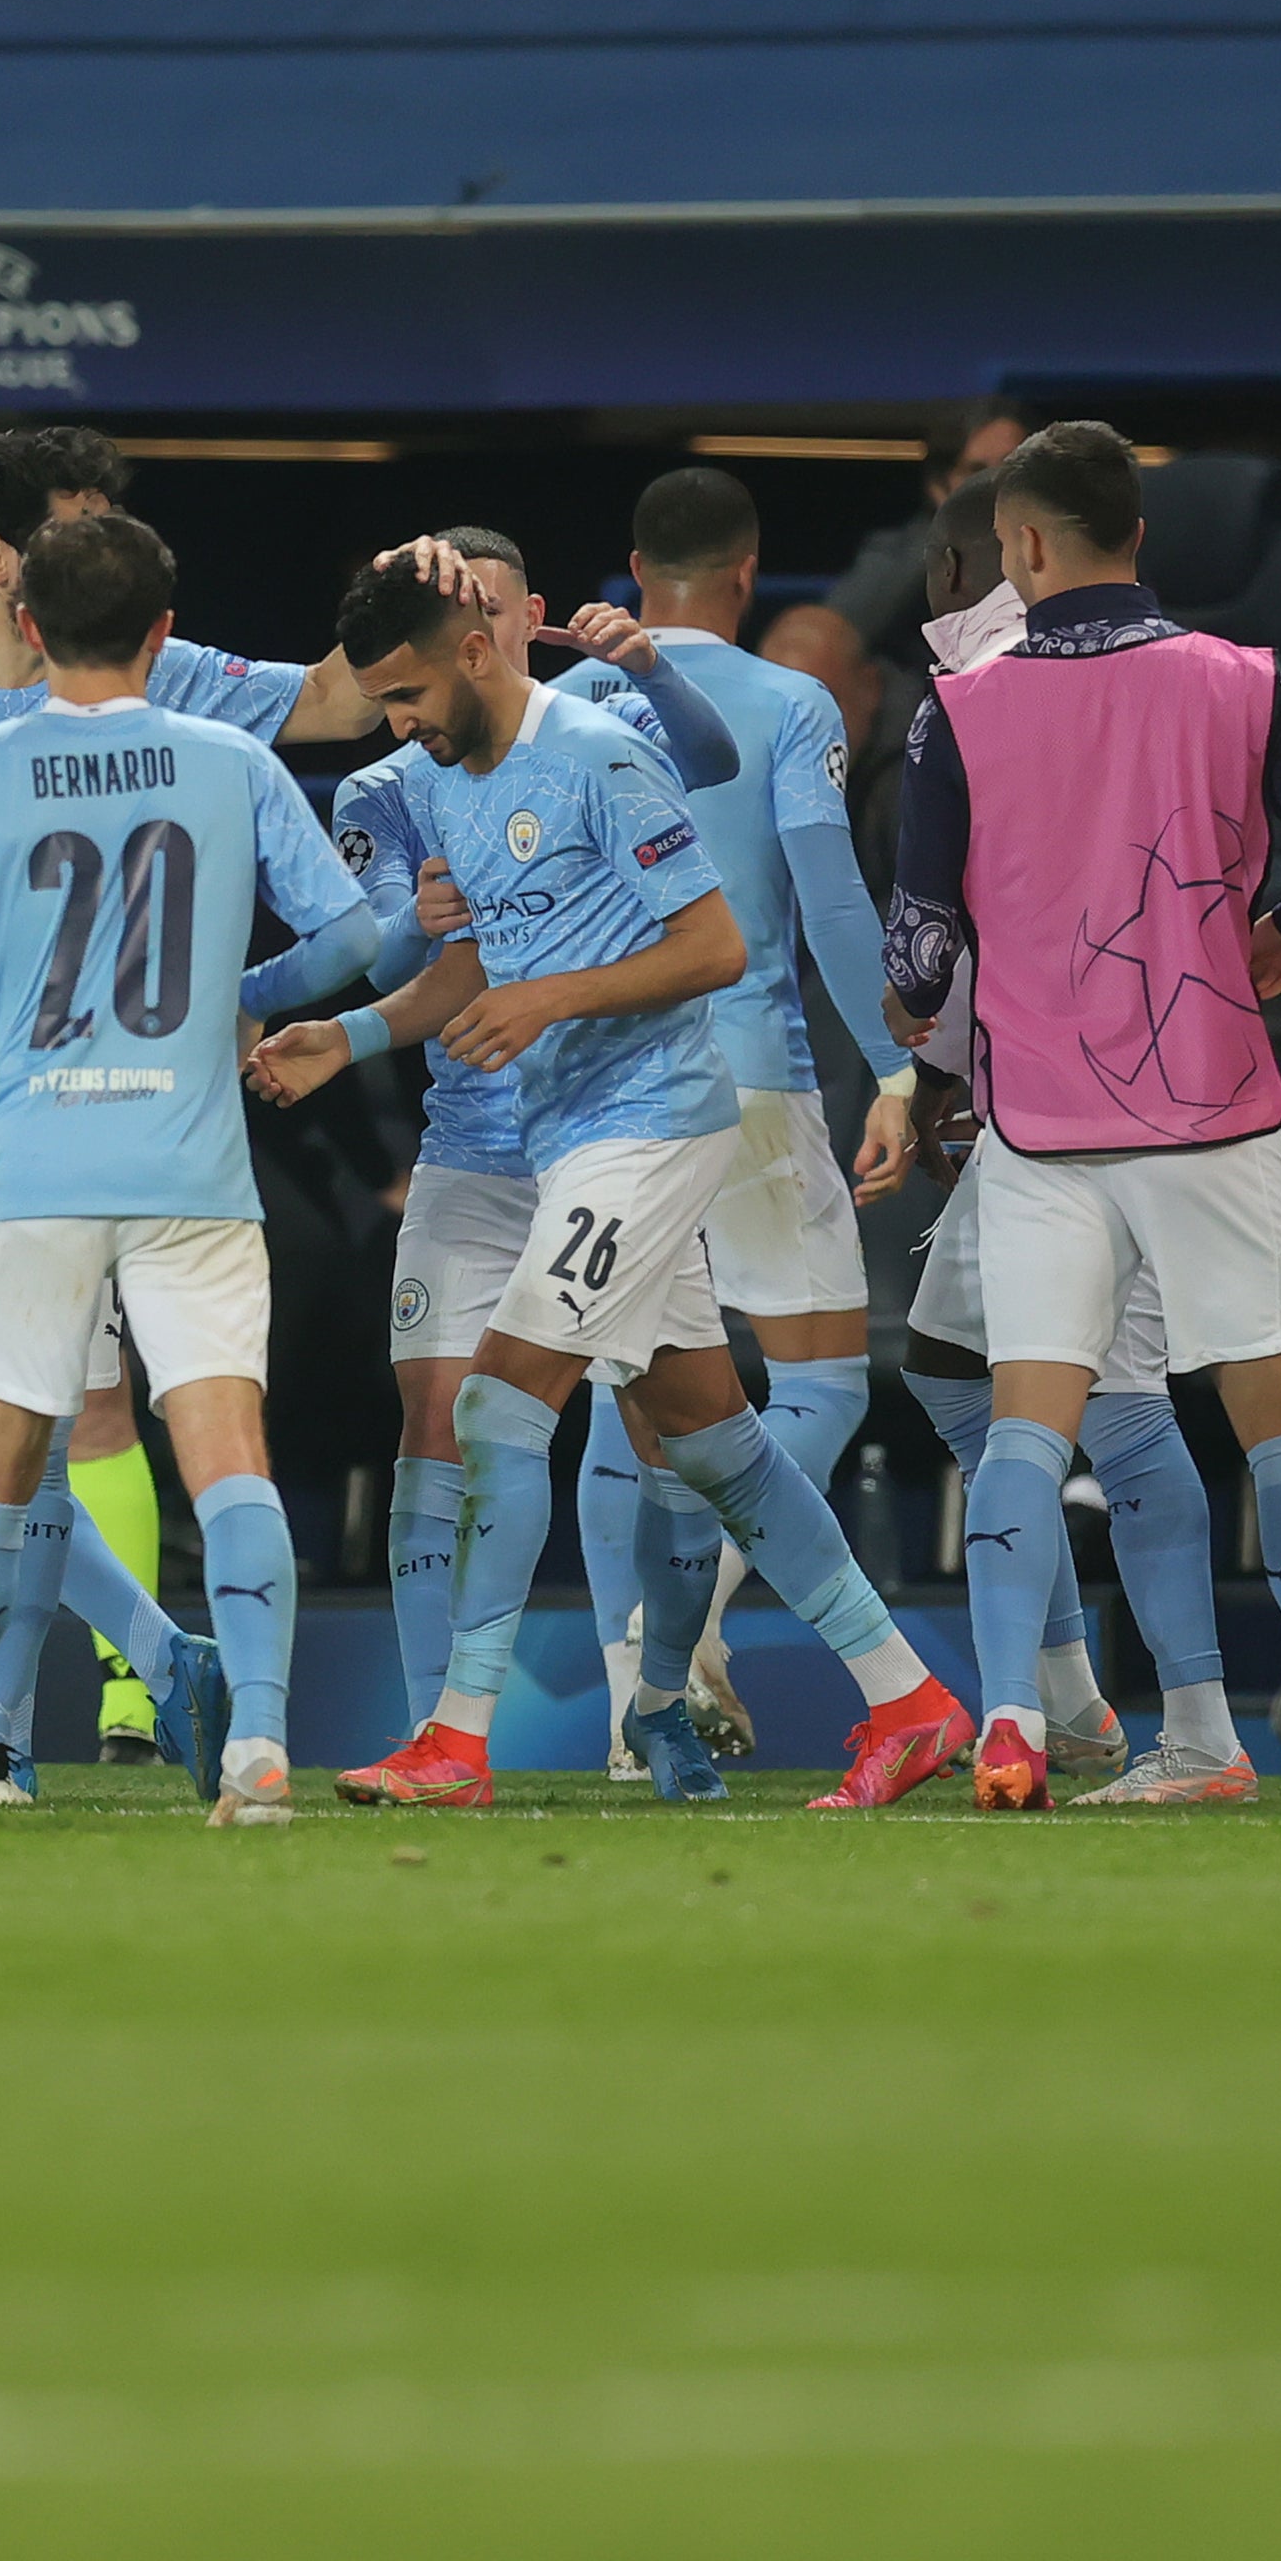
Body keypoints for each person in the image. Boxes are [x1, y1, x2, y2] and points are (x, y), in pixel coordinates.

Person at [0, 430, 467, 1790]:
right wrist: (238, 997)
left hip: (29, 1157)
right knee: (224, 1451)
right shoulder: (224, 754)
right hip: (191, 1156)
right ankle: (256, 1735)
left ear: (27, 620)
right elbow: (361, 935)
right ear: (166, 630)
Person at [255, 556, 974, 1816]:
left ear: (478, 648)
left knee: (495, 1401)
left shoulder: (596, 749)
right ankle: (910, 1700)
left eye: (410, 691)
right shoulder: (442, 778)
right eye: (382, 704)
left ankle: (456, 1739)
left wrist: (547, 998)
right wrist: (350, 1036)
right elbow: (459, 974)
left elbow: (715, 945)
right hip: (564, 1139)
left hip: (652, 1127)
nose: (399, 723)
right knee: (721, 1446)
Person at [884, 421, 1281, 1814]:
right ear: (1137, 533)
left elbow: (916, 956)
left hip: (1043, 1132)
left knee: (1026, 1427)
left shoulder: (953, 710)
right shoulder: (1243, 683)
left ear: (1021, 547)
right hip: (1209, 1111)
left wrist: (944, 1023)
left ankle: (1014, 1721)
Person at [329, 526, 736, 1748]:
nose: (490, 636)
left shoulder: (596, 725)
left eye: (504, 613)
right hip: (475, 1141)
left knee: (685, 1433)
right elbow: (393, 954)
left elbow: (705, 774)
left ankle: (657, 1696)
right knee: (450, 1419)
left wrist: (657, 669)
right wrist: (391, 955)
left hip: (620, 1128)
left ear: (515, 620)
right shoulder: (398, 777)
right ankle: (436, 1727)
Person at [882, 471, 1244, 1808]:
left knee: (1121, 1396)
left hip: (1082, 1103)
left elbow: (979, 915)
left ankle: (1187, 1725)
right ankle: (1080, 1698)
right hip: (1117, 1077)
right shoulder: (1125, 665)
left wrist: (925, 1056)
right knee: (951, 1366)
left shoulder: (989, 680)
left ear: (968, 563)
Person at [570, 469, 913, 1763]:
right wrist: (893, 1064)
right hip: (746, 1079)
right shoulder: (785, 700)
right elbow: (830, 902)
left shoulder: (564, 702)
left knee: (628, 1389)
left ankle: (627, 1701)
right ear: (748, 567)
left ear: (633, 566)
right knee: (820, 1371)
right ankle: (687, 1631)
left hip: (598, 1086)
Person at [822, 402, 1023, 661]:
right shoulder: (899, 553)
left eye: (1011, 467)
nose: (995, 484)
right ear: (939, 487)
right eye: (977, 471)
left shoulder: (1063, 549)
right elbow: (831, 633)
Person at [752, 599, 903, 892]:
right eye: (781, 714)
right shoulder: (745, 765)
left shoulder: (918, 775)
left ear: (869, 688)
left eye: (820, 709)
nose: (801, 737)